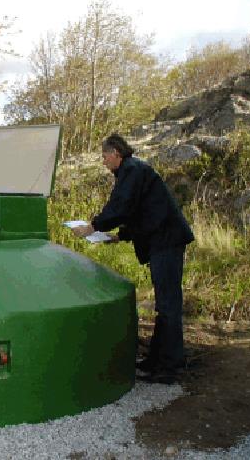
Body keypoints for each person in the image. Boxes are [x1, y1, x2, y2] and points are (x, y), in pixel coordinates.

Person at [72, 134, 194, 384]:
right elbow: (143, 212)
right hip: (161, 240)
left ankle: (169, 367)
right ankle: (157, 360)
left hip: (167, 242)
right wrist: (119, 237)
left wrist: (93, 226)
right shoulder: (133, 171)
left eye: (105, 156)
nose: (104, 162)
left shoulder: (132, 170)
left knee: (168, 306)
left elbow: (122, 206)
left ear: (116, 152)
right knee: (164, 305)